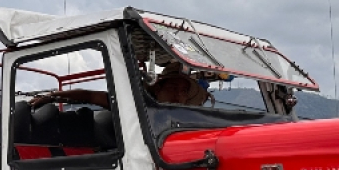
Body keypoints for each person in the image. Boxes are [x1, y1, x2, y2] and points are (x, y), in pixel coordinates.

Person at [29, 62, 210, 109]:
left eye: (184, 91)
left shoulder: (187, 119)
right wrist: (52, 97)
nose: (178, 95)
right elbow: (89, 96)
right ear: (157, 88)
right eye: (173, 88)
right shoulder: (135, 107)